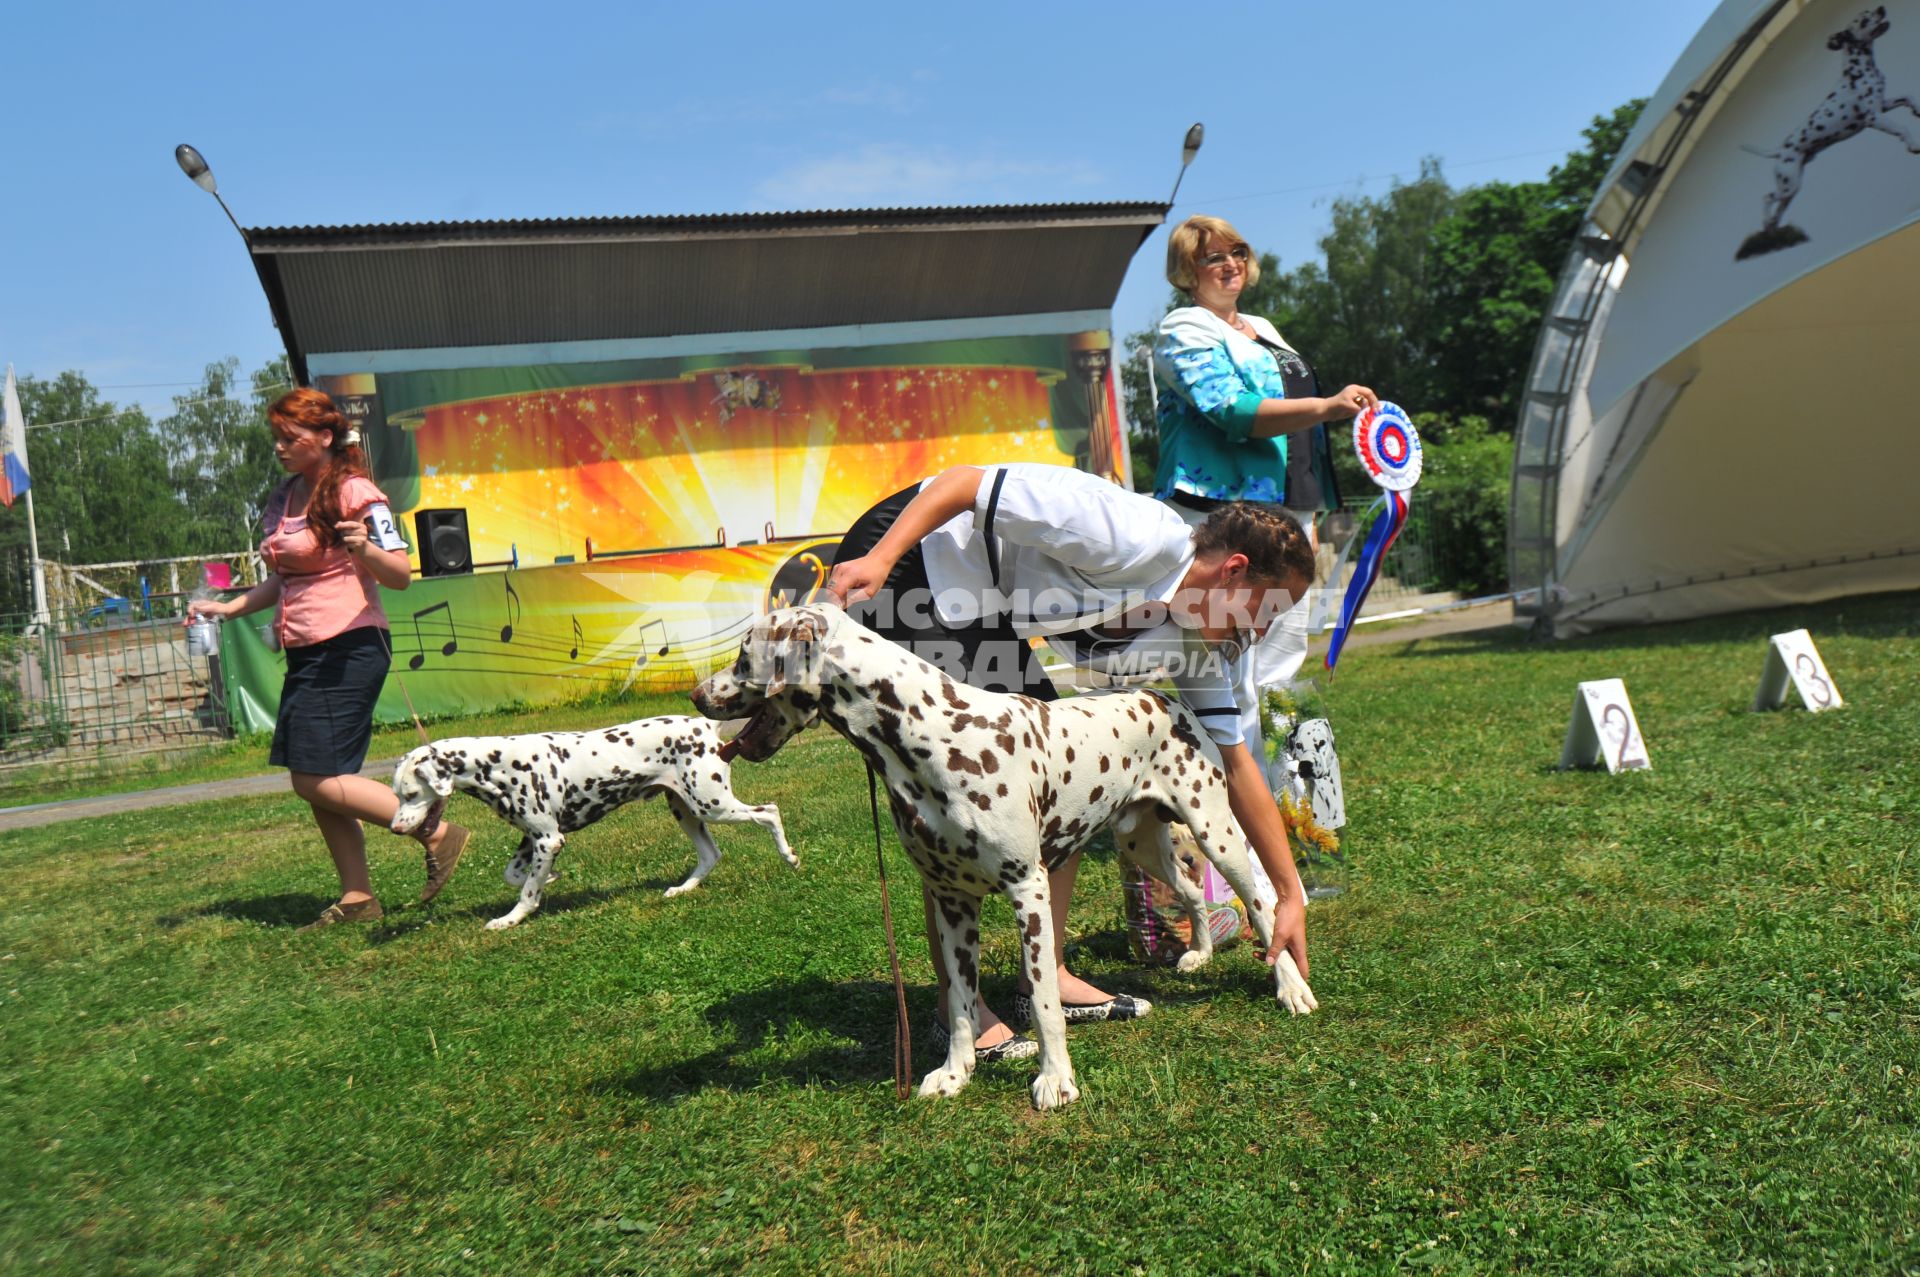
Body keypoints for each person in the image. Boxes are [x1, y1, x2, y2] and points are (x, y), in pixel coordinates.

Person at [826, 461, 1316, 1059]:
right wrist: (878, 561)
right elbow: (963, 485)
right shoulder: (1129, 534)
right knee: (969, 784)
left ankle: (1051, 975)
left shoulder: (1207, 643)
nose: (1261, 634)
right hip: (912, 555)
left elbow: (1238, 768)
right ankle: (962, 1017)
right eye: (1267, 612)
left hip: (984, 601)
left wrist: (1288, 895)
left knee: (1067, 776)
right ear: (1234, 573)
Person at [188, 388, 470, 931]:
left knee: (313, 778)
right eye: (276, 437)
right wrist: (228, 608)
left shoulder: (356, 491)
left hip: (350, 645)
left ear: (323, 437)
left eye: (289, 437)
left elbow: (400, 574)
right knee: (323, 777)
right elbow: (283, 576)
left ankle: (435, 830)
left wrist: (363, 549)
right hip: (307, 648)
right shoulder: (285, 495)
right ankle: (359, 896)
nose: (278, 447)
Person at [1153, 214, 1378, 763]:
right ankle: (1216, 793)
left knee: (1282, 651)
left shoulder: (1263, 328)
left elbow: (1295, 433)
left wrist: (1309, 512)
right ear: (1187, 270)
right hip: (1221, 519)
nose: (1231, 264)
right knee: (1223, 664)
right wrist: (1326, 408)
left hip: (1284, 511)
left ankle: (1279, 788)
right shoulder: (1183, 329)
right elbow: (1232, 410)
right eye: (1213, 256)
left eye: (1238, 252)